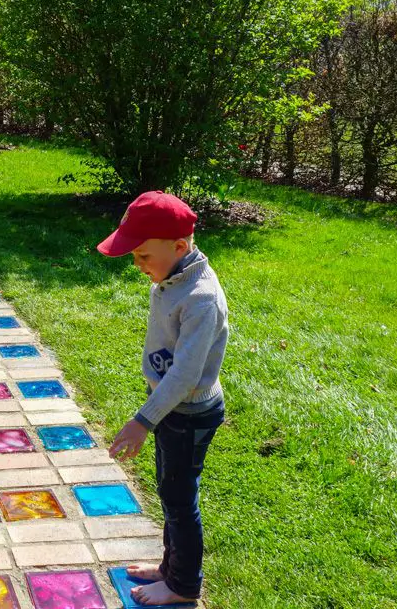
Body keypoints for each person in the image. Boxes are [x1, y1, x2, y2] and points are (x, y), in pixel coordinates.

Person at [99, 191, 229, 606]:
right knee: (170, 491)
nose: (139, 267)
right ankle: (170, 567)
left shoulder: (200, 299)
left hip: (188, 412)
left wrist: (144, 419)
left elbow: (186, 376)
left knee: (179, 499)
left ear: (178, 247)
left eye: (142, 257)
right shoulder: (172, 275)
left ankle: (183, 585)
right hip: (172, 409)